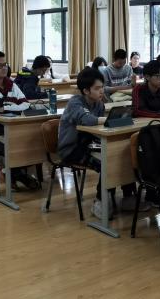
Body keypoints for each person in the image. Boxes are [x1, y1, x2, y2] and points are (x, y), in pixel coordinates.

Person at [59, 67, 147, 218]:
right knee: (107, 162)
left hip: (90, 145)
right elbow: (87, 120)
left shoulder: (98, 104)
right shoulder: (75, 103)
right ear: (86, 91)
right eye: (97, 88)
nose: (102, 91)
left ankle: (128, 197)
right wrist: (109, 120)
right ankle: (101, 201)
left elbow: (98, 129)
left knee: (122, 155)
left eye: (102, 87)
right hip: (72, 149)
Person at [0, 50, 40, 191]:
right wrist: (12, 107)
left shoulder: (12, 84)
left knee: (34, 144)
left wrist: (5, 107)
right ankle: (18, 175)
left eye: (5, 64)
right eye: (0, 66)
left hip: (14, 128)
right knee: (13, 147)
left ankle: (9, 172)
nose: (4, 68)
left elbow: (25, 104)